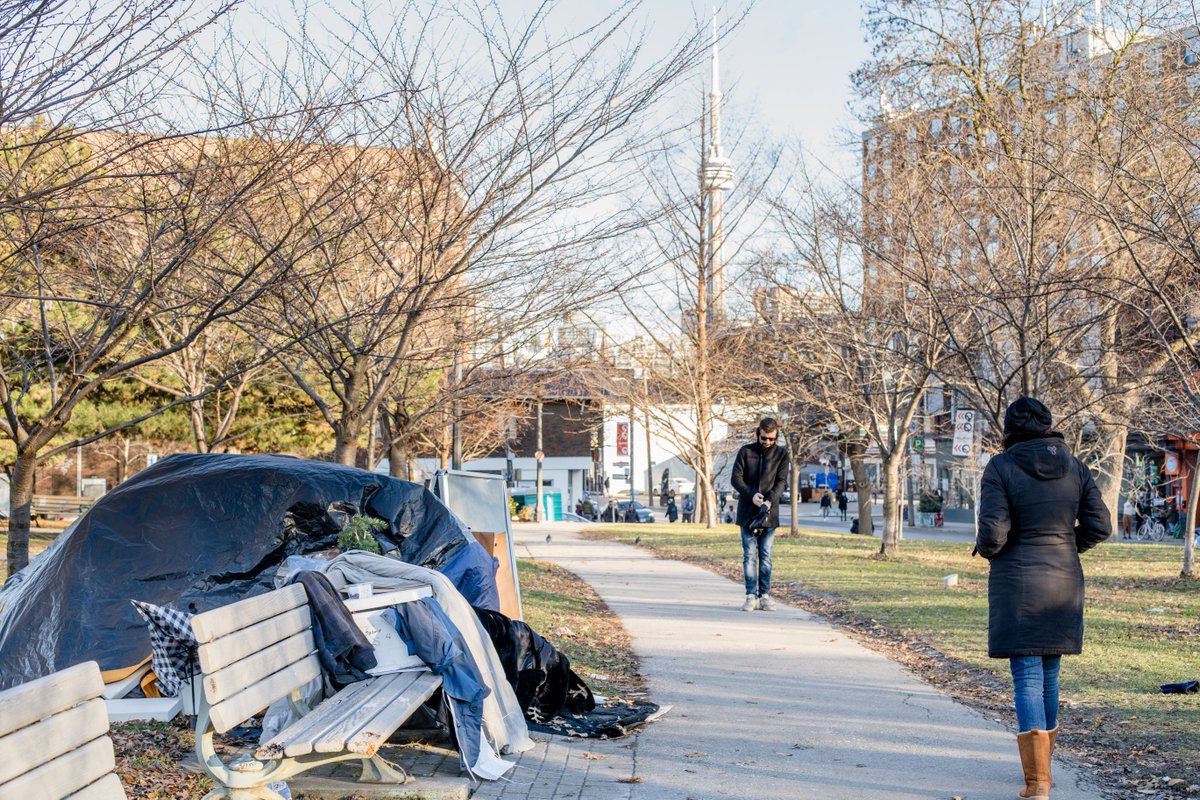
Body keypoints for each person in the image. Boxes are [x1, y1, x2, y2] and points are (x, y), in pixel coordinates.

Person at [975, 397, 1110, 800]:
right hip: (1064, 581)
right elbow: (1099, 525)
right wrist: (1066, 546)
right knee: (1049, 674)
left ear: (1009, 428)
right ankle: (1044, 772)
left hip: (1019, 583)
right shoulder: (1075, 465)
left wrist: (989, 550)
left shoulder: (1000, 466)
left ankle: (1038, 783)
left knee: (1028, 677)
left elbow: (993, 536)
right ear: (1049, 424)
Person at [731, 417, 790, 612]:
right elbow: (735, 478)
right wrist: (751, 495)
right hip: (748, 512)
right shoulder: (746, 452)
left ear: (776, 438)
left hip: (769, 514)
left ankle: (764, 595)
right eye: (764, 438)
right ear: (758, 434)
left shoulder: (781, 455)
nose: (767, 442)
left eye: (772, 439)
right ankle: (750, 595)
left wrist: (769, 499)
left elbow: (781, 482)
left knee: (765, 556)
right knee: (749, 556)